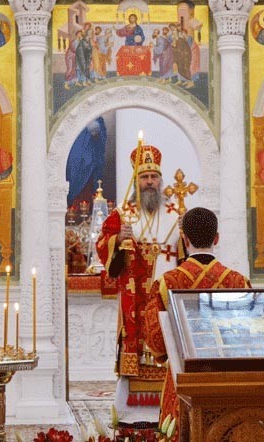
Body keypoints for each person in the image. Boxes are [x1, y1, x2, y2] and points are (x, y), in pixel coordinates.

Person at [96, 143, 184, 431]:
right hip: (135, 300)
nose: (149, 182)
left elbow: (186, 257)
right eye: (144, 177)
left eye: (153, 177)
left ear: (160, 180)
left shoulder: (176, 213)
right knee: (135, 345)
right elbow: (104, 250)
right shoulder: (122, 215)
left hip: (166, 297)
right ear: (136, 181)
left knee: (169, 347)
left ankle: (169, 410)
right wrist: (117, 240)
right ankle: (130, 415)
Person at [144, 207, 251, 440]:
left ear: (184, 240)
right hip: (228, 383)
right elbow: (250, 338)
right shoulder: (239, 282)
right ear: (216, 238)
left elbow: (156, 344)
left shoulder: (166, 283)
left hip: (183, 383)